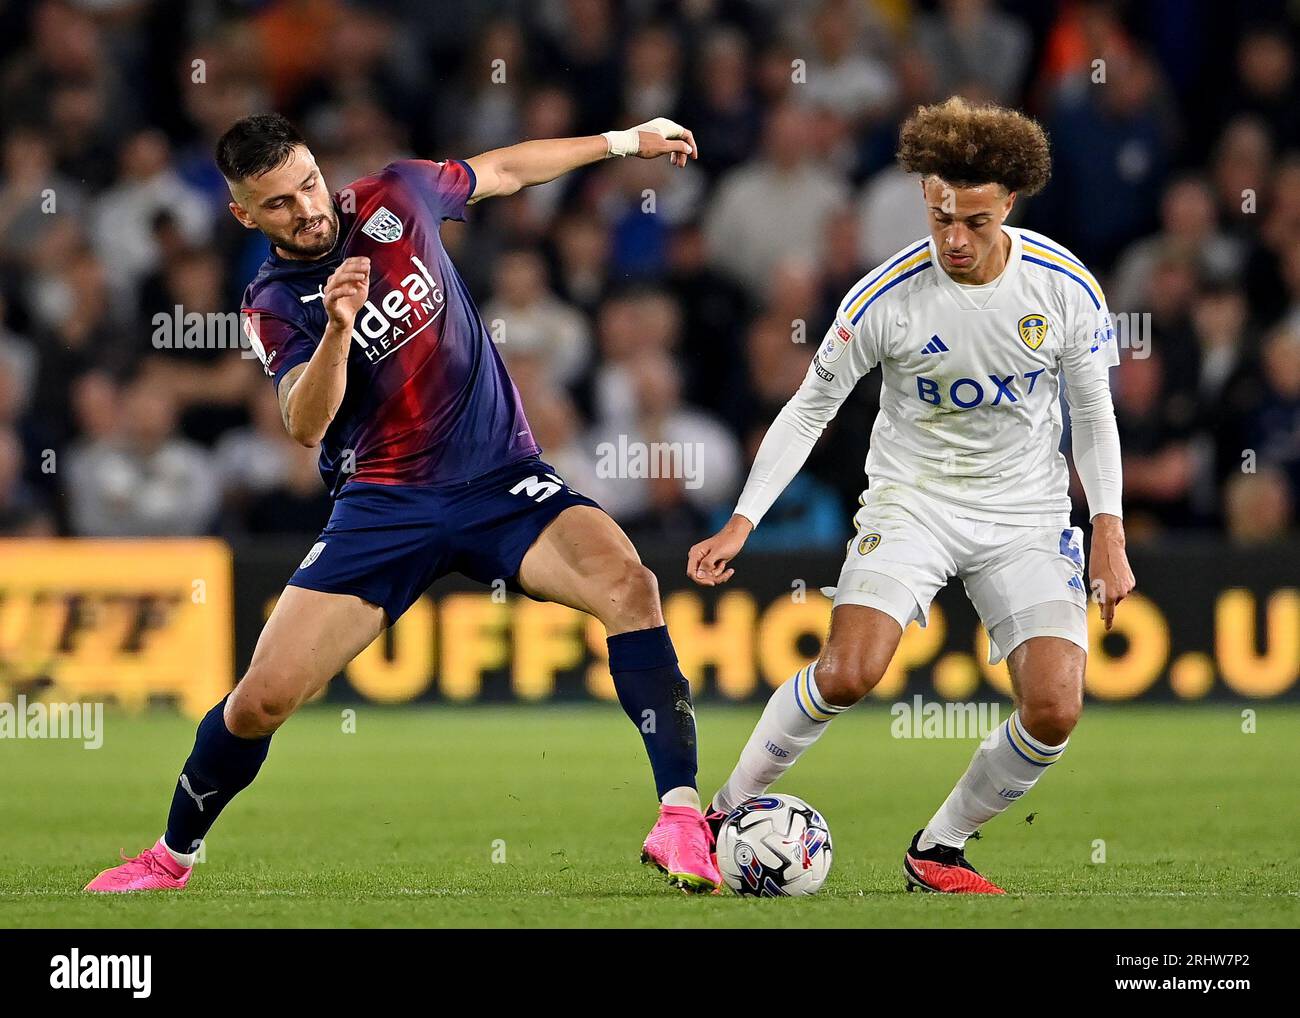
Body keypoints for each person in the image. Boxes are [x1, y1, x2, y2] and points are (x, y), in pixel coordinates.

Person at [86, 112, 723, 894]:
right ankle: (170, 856)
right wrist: (338, 332)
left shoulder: (399, 193)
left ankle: (682, 819)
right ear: (244, 215)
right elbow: (303, 422)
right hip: (384, 505)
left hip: (500, 479)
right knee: (259, 703)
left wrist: (623, 143)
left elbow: (509, 170)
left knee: (631, 586)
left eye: (310, 183)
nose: (309, 208)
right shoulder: (274, 302)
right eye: (280, 203)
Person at [688, 97, 1135, 893]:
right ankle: (722, 813)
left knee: (1056, 708)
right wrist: (742, 520)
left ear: (1009, 203)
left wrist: (1109, 528)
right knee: (852, 671)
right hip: (912, 500)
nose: (953, 239)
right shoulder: (881, 299)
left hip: (1027, 515)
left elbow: (1093, 416)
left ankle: (940, 848)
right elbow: (808, 410)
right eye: (939, 218)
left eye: (973, 221)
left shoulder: (1066, 289)